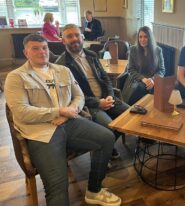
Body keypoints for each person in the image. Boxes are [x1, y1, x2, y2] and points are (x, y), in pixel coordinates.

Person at [4, 33, 121, 206]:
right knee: (58, 187)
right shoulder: (16, 77)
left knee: (107, 137)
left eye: (44, 47)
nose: (41, 52)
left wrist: (71, 110)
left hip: (70, 122)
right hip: (41, 133)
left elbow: (79, 96)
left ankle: (94, 190)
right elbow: (21, 112)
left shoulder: (62, 71)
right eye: (35, 48)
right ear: (26, 52)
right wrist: (58, 111)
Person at [56, 24, 129, 159]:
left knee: (130, 117)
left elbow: (106, 78)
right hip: (89, 105)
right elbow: (71, 95)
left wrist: (110, 96)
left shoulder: (92, 55)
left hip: (107, 98)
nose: (74, 39)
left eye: (77, 35)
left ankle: (108, 145)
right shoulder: (61, 65)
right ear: (63, 40)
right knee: (109, 127)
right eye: (69, 36)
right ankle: (105, 148)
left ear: (82, 37)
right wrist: (98, 102)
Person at [122, 26, 165, 105]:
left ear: (150, 38)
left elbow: (161, 70)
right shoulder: (133, 49)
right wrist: (143, 79)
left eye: (145, 37)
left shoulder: (158, 50)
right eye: (140, 37)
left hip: (153, 81)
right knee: (140, 88)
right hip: (136, 80)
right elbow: (130, 69)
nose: (142, 39)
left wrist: (152, 79)